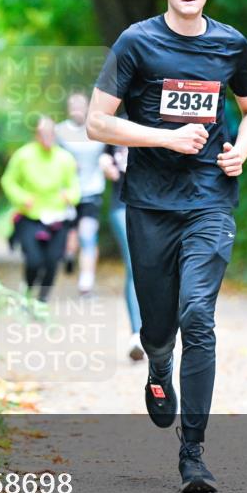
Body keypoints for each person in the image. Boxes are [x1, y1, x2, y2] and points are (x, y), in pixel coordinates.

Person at [87, 0, 247, 493]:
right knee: (160, 325)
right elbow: (98, 123)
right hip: (149, 203)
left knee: (200, 316)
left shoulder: (231, 46)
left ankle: (193, 453)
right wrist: (164, 137)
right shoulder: (136, 43)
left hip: (211, 198)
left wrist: (242, 149)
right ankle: (158, 364)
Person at [1, 116, 81, 302]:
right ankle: (29, 290)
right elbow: (8, 181)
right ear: (36, 135)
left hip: (57, 218)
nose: (47, 137)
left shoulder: (65, 158)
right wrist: (22, 198)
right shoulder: (23, 155)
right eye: (42, 134)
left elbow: (74, 186)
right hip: (30, 217)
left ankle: (42, 299)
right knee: (34, 261)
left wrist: (70, 196)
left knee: (52, 261)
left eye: (50, 134)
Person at [55, 92, 106, 295]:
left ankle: (86, 282)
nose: (77, 109)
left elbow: (112, 151)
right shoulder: (60, 132)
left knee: (88, 235)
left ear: (87, 107)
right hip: (67, 193)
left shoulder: (98, 129)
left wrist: (107, 163)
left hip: (92, 191)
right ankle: (68, 254)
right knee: (70, 235)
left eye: (80, 105)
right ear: (68, 109)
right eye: (73, 106)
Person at [100, 144, 146, 361]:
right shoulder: (117, 123)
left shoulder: (161, 118)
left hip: (156, 206)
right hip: (122, 204)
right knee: (134, 264)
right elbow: (102, 154)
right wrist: (104, 163)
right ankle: (137, 334)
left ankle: (159, 333)